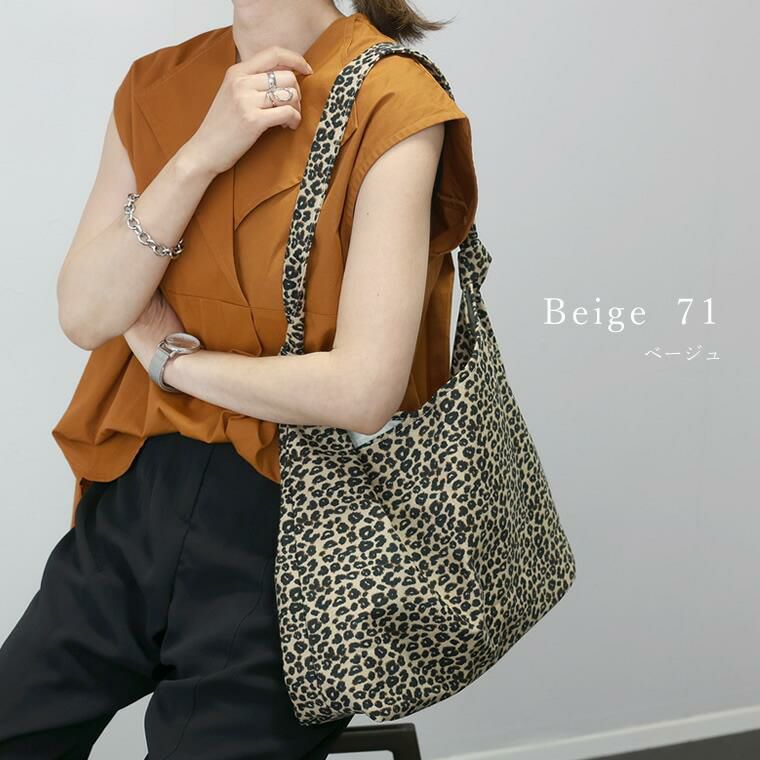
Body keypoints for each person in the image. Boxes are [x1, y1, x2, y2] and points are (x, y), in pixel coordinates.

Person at [0, 0, 478, 756]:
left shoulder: (389, 96)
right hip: (133, 503)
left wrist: (172, 362)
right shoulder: (157, 85)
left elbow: (361, 392)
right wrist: (201, 153)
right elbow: (87, 314)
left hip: (301, 526)